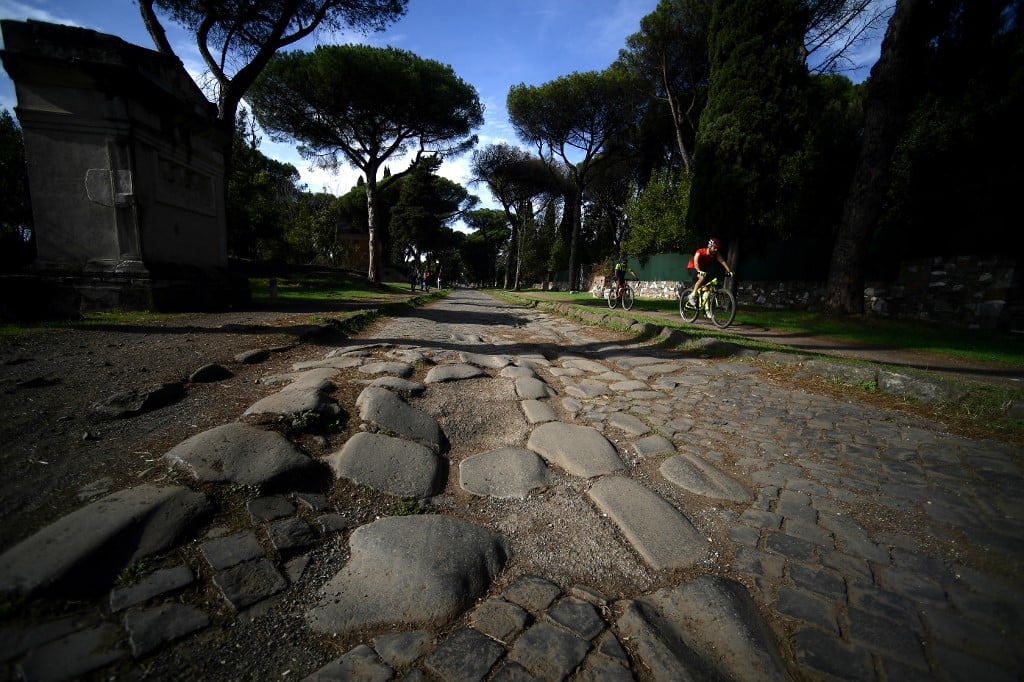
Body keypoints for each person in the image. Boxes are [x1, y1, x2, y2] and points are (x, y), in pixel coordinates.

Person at [686, 237, 733, 305]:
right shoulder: (700, 252)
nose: (716, 250)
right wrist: (699, 271)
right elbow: (696, 262)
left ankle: (707, 312)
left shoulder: (716, 254)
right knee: (702, 278)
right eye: (715, 248)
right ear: (710, 246)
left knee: (707, 291)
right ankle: (692, 295)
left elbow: (722, 261)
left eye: (717, 248)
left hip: (702, 269)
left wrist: (729, 271)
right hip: (692, 267)